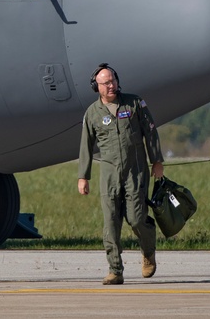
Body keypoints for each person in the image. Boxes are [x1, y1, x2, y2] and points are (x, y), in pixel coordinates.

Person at [77, 63, 164, 285]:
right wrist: (83, 176)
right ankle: (115, 270)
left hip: (135, 172)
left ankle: (148, 251)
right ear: (96, 87)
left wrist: (157, 161)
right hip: (109, 176)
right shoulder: (92, 113)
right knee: (111, 223)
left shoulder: (134, 103)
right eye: (105, 83)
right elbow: (85, 146)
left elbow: (151, 133)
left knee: (136, 218)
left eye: (113, 80)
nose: (111, 85)